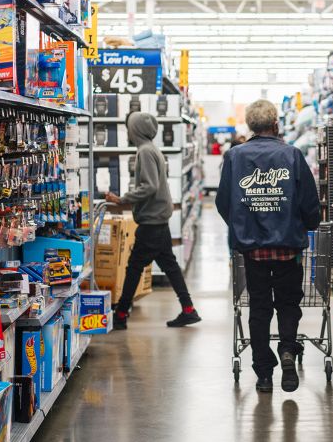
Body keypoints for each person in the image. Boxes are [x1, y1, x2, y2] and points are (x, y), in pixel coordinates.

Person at [215, 99, 321, 394]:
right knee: (288, 304)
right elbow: (308, 202)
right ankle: (288, 349)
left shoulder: (235, 157)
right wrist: (308, 224)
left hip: (252, 251)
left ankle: (263, 372)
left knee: (259, 309)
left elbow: (223, 201)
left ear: (250, 127)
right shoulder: (292, 155)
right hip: (288, 247)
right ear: (276, 125)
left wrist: (241, 226)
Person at [106, 112, 201, 330]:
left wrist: (122, 199)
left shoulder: (145, 152)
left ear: (136, 130)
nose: (127, 131)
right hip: (158, 220)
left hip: (151, 222)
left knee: (134, 268)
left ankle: (120, 314)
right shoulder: (151, 149)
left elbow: (149, 186)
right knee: (169, 266)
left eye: (129, 127)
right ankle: (188, 310)